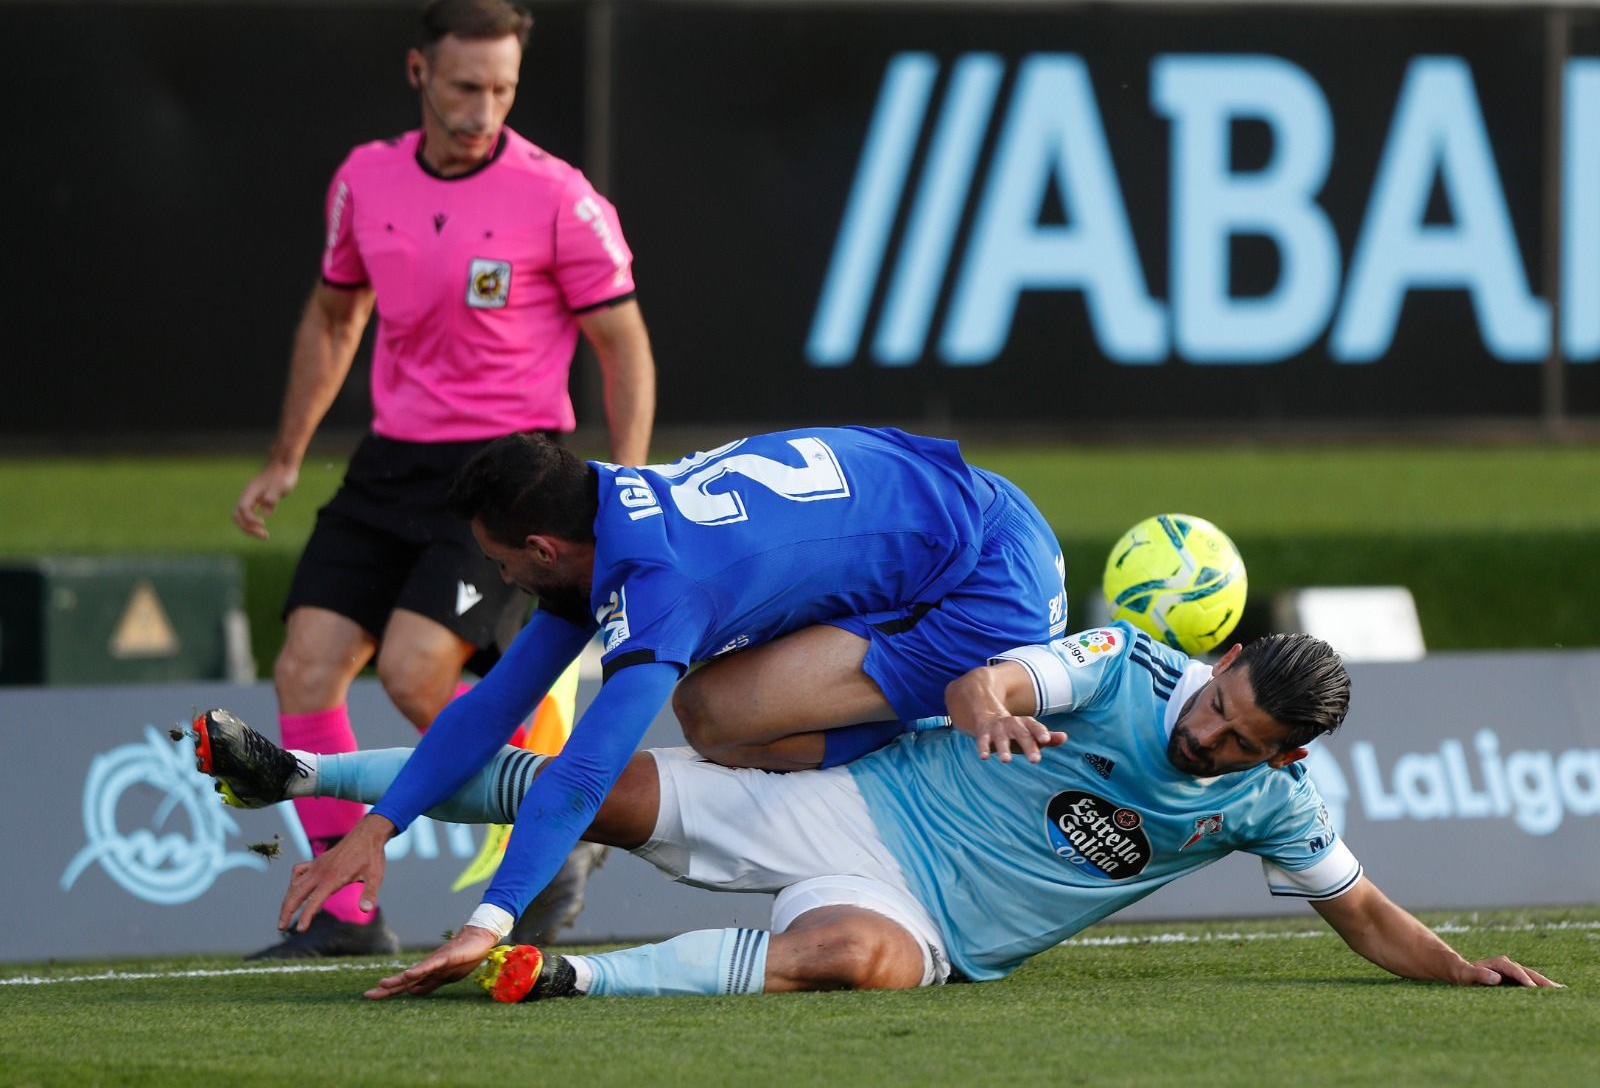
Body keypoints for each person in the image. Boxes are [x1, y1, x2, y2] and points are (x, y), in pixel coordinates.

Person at [190, 625, 1560, 998]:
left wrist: (1458, 967)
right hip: (852, 801)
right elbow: (1005, 670)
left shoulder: (1275, 800)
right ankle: (298, 774)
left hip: (930, 922)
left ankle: (551, 979)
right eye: (1218, 695)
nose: (1206, 724)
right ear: (1224, 660)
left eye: (1235, 733)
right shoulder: (1135, 667)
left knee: (844, 962)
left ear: (1279, 753)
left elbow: (1362, 907)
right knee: (593, 789)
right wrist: (999, 697)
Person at [251, 425, 1070, 973]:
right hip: (961, 506)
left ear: (543, 547)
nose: (501, 580)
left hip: (988, 590)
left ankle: (911, 744)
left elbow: (579, 777)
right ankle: (891, 722)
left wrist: (488, 922)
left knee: (713, 716)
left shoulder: (659, 588)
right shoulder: (599, 503)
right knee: (721, 702)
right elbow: (491, 705)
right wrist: (375, 828)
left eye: (502, 563)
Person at [231, 0, 654, 958]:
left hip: (505, 474)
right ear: (420, 72)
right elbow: (334, 319)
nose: (483, 109)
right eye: (466, 86)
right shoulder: (364, 179)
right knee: (304, 665)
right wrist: (287, 454)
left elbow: (623, 347)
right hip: (389, 463)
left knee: (419, 669)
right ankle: (342, 919)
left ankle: (562, 827)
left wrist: (625, 490)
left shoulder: (558, 194)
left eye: (501, 89)